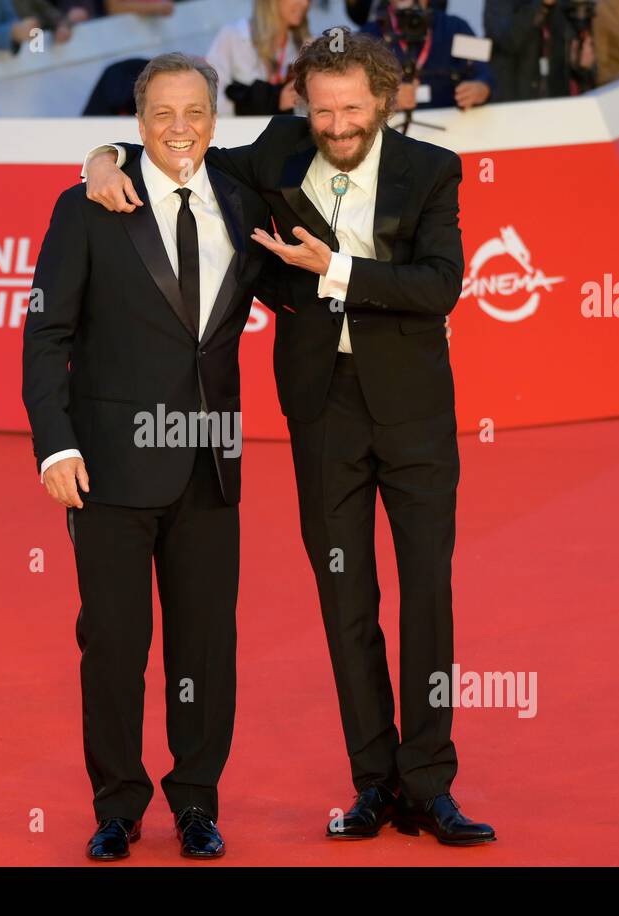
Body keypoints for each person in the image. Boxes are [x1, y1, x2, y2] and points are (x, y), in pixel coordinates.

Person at [81, 28, 497, 847]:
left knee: (427, 598)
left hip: (413, 413)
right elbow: (180, 147)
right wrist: (102, 156)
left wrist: (332, 267)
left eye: (352, 108)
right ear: (299, 102)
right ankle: (373, 782)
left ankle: (430, 781)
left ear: (385, 100)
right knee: (346, 604)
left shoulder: (432, 171)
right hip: (323, 411)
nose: (337, 125)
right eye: (322, 108)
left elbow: (439, 287)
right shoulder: (276, 148)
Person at [23, 53, 278, 862]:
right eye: (161, 114)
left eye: (194, 112)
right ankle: (118, 803)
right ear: (137, 124)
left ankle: (197, 803)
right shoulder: (90, 206)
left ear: (215, 117)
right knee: (114, 642)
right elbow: (46, 336)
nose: (179, 128)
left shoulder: (241, 200)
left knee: (205, 645)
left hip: (208, 457)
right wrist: (55, 444)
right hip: (108, 465)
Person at [365, 0, 493, 112]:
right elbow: (354, 92)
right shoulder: (368, 37)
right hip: (394, 131)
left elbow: (485, 73)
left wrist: (481, 89)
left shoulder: (456, 27)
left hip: (452, 128)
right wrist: (385, 100)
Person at [204, 0, 310, 116]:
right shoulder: (233, 36)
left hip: (283, 132)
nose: (305, 3)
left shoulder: (303, 46)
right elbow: (212, 95)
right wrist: (271, 101)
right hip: (239, 131)